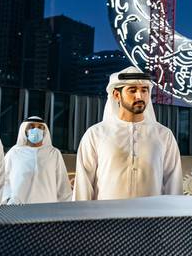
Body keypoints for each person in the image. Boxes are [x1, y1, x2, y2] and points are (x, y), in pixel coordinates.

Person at [74, 67, 182, 201]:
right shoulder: (96, 134)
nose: (139, 96)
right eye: (132, 90)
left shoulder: (163, 135)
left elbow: (173, 182)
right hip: (106, 218)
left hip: (152, 218)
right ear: (116, 95)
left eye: (144, 90)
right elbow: (83, 184)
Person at [2, 116, 72, 204]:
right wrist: (8, 198)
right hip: (18, 208)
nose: (36, 129)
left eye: (40, 127)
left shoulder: (53, 153)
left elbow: (62, 184)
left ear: (44, 131)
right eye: (31, 127)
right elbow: (2, 179)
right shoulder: (14, 153)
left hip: (47, 208)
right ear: (25, 130)